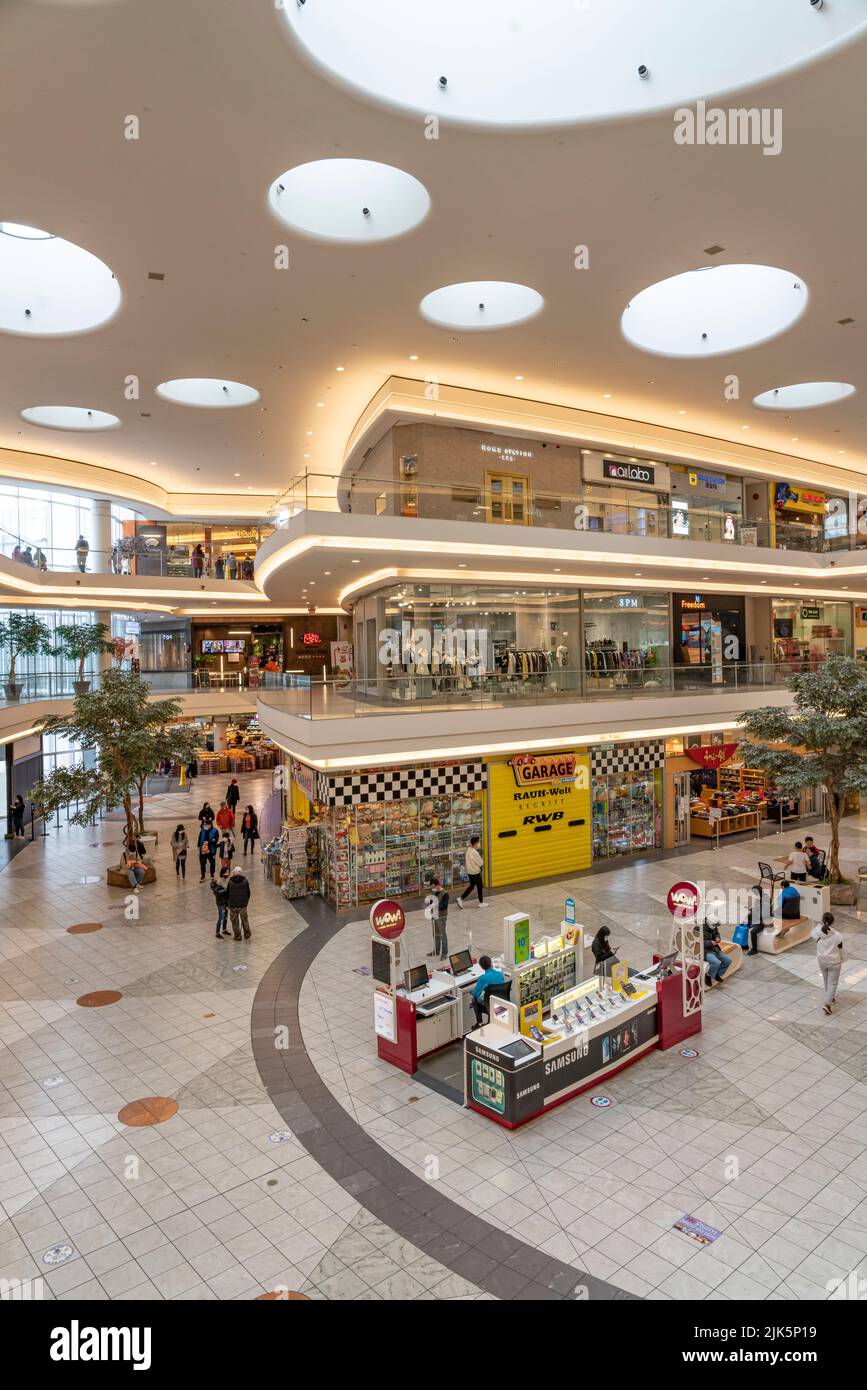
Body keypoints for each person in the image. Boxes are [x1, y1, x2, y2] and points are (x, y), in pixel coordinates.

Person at [813, 911, 844, 1015]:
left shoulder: (816, 933)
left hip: (822, 961)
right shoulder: (837, 936)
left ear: (822, 920)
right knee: (833, 983)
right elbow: (841, 949)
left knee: (826, 980)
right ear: (832, 922)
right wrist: (842, 958)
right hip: (834, 962)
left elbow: (815, 938)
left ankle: (830, 997)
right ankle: (827, 1004)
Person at [470, 955, 506, 1026]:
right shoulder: (500, 974)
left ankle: (479, 1022)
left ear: (482, 967)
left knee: (474, 999)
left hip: (491, 1003)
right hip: (501, 1001)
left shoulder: (482, 978)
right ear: (491, 964)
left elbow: (475, 994)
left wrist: (472, 992)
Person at [702, 920, 733, 988]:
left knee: (728, 960)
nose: (715, 926)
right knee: (716, 962)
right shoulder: (698, 928)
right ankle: (708, 976)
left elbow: (717, 934)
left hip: (715, 949)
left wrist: (718, 938)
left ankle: (717, 974)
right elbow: (697, 942)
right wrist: (710, 943)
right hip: (705, 951)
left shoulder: (713, 927)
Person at [456, 836, 485, 908]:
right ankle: (481, 902)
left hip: (470, 872)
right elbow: (481, 863)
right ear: (475, 843)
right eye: (478, 842)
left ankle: (461, 899)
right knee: (479, 886)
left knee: (472, 886)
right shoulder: (475, 852)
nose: (479, 843)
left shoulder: (469, 849)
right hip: (475, 872)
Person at [426, 877, 449, 960]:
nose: (433, 889)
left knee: (442, 935)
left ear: (438, 885)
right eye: (432, 887)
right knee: (435, 934)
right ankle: (436, 951)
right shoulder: (434, 892)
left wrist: (435, 905)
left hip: (441, 916)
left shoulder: (445, 894)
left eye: (433, 887)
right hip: (434, 916)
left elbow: (444, 906)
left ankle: (444, 953)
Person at [226, 865, 251, 940]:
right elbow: (248, 893)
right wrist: (246, 901)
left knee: (234, 921)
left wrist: (228, 902)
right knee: (244, 920)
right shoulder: (245, 881)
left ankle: (237, 935)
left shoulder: (230, 882)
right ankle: (247, 933)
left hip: (233, 905)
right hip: (243, 904)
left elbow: (227, 893)